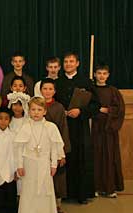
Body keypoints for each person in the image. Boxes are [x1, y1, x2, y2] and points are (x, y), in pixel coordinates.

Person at [55, 52, 100, 204]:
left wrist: (80, 111)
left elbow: (95, 105)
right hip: (63, 126)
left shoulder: (86, 82)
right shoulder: (58, 82)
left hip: (80, 127)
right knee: (64, 157)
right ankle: (65, 193)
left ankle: (81, 194)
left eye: (71, 61)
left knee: (80, 158)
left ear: (77, 63)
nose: (68, 64)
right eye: (66, 61)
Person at [15, 97, 63, 213]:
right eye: (33, 110)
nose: (36, 112)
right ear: (29, 111)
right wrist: (19, 165)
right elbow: (19, 148)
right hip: (28, 164)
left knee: (44, 193)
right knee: (29, 194)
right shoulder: (25, 127)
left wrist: (54, 164)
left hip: (44, 164)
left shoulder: (51, 127)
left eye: (39, 110)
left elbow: (54, 147)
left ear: (45, 111)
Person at [92, 63, 125, 198]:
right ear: (94, 74)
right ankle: (95, 187)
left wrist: (109, 110)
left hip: (109, 130)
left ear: (108, 75)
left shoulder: (113, 91)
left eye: (104, 73)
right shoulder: (91, 90)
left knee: (110, 157)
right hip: (94, 129)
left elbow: (120, 109)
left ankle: (110, 188)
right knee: (95, 157)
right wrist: (97, 110)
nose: (101, 76)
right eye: (99, 73)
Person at [40, 78, 71, 213]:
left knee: (57, 177)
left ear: (54, 91)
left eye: (50, 89)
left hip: (54, 146)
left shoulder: (58, 107)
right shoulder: (36, 105)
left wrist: (61, 153)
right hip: (40, 148)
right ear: (40, 90)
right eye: (45, 89)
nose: (47, 91)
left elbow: (63, 129)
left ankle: (57, 205)